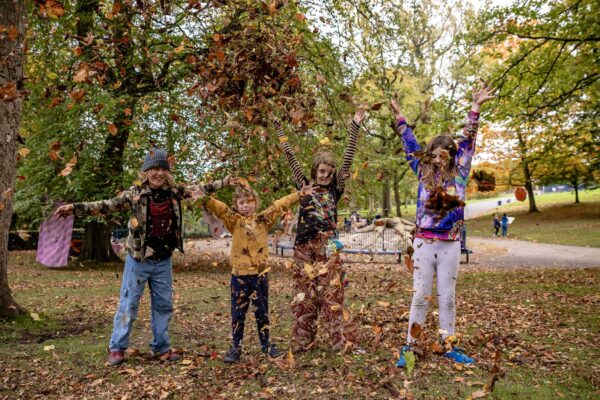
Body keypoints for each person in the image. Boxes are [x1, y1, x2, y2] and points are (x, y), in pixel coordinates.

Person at [55, 148, 227, 366]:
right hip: (138, 261)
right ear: (146, 172)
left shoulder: (175, 191)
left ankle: (161, 348)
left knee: (163, 305)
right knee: (129, 304)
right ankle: (117, 348)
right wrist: (74, 208)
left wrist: (226, 181)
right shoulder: (135, 194)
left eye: (162, 169)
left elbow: (201, 189)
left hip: (163, 261)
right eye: (154, 169)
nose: (158, 173)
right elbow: (106, 205)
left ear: (167, 172)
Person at [390, 82, 495, 368]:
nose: (436, 160)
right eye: (433, 154)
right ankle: (409, 348)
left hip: (449, 243)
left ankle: (449, 345)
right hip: (424, 242)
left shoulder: (460, 172)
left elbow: (469, 140)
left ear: (451, 154)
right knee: (421, 297)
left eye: (441, 155)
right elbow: (410, 145)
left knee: (447, 298)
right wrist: (400, 117)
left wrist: (475, 109)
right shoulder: (422, 172)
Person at [275, 108, 365, 353]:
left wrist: (355, 126)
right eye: (321, 171)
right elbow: (290, 155)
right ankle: (303, 341)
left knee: (333, 294)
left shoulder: (335, 189)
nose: (325, 175)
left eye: (329, 172)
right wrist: (280, 130)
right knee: (305, 295)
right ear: (315, 172)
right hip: (304, 248)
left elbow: (347, 160)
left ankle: (341, 342)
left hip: (327, 247)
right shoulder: (304, 187)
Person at [200, 179, 315, 363]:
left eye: (249, 201)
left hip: (260, 276)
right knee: (238, 314)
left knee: (262, 312)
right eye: (241, 203)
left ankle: (267, 345)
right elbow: (220, 208)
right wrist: (203, 198)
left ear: (255, 203)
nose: (246, 206)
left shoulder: (263, 220)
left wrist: (300, 194)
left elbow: (279, 205)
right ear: (236, 205)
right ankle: (235, 348)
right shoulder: (234, 221)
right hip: (239, 277)